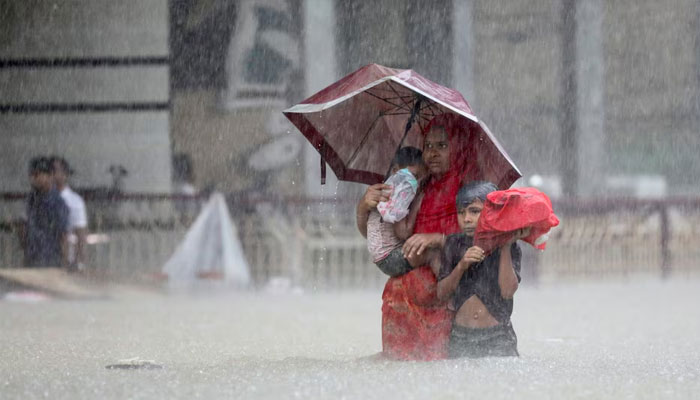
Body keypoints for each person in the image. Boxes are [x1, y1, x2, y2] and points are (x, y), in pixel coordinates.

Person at [356, 113, 480, 360]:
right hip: (400, 301)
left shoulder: (469, 188)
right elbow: (379, 238)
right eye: (428, 146)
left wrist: (438, 238)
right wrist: (364, 207)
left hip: (445, 301)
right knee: (400, 378)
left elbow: (481, 240)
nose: (432, 153)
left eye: (442, 146)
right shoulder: (413, 185)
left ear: (458, 148)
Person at [436, 181, 529, 358]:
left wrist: (506, 247)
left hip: (497, 337)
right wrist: (462, 265)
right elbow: (441, 294)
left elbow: (508, 291)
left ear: (492, 212)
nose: (466, 219)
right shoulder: (453, 244)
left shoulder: (509, 244)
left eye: (474, 211)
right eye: (461, 213)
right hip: (461, 337)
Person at [367, 147, 427, 277]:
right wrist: (417, 204)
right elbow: (403, 233)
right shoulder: (398, 194)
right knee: (433, 254)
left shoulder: (389, 187)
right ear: (395, 170)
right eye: (414, 176)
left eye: (421, 179)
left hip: (382, 257)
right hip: (390, 258)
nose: (416, 183)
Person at [22, 157, 69, 268]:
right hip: (31, 258)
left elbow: (63, 236)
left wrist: (64, 263)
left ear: (50, 176)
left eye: (37, 175)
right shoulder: (31, 199)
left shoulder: (57, 203)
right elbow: (25, 224)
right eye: (32, 175)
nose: (33, 179)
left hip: (50, 259)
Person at [51, 156, 88, 271]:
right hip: (44, 258)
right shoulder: (39, 199)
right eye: (50, 171)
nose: (52, 174)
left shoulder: (75, 201)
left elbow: (81, 234)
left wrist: (80, 262)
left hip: (67, 261)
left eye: (55, 170)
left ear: (65, 174)